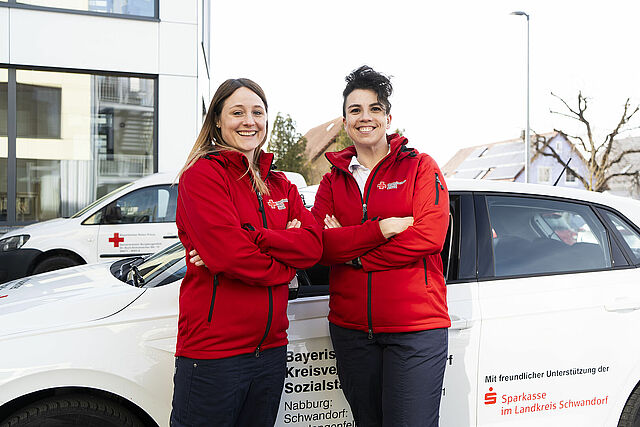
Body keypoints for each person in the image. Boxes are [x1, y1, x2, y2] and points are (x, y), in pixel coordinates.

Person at [171, 78, 322, 427]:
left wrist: (253, 237)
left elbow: (314, 246)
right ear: (217, 120)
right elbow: (231, 256)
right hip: (214, 354)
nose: (249, 121)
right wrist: (286, 264)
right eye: (237, 112)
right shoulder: (202, 175)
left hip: (270, 352)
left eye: (257, 112)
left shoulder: (281, 184)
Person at [310, 65, 451, 426]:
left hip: (414, 330)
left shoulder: (420, 167)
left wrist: (354, 254)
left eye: (374, 108)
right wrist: (382, 230)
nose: (365, 117)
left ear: (388, 118)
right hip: (351, 331)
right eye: (355, 110)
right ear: (345, 121)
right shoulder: (331, 182)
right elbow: (319, 247)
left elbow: (429, 236)